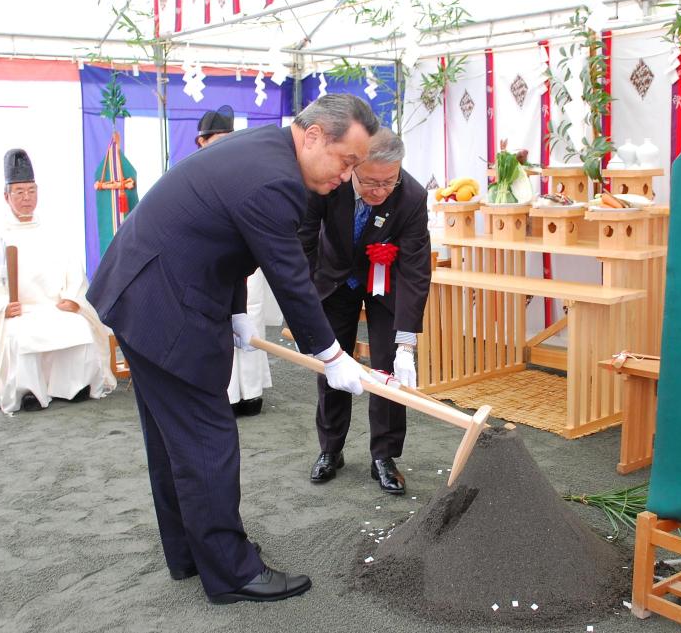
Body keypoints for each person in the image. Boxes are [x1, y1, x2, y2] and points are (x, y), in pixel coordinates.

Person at [86, 94, 379, 605]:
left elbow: (226, 236)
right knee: (206, 438)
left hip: (142, 288)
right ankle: (231, 571)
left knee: (172, 438)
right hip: (163, 304)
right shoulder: (276, 178)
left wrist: (238, 311)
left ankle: (190, 554)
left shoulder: (266, 150)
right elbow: (288, 273)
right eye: (346, 161)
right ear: (313, 136)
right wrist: (333, 356)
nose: (347, 175)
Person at [299, 128, 432, 495]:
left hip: (385, 284)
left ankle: (384, 456)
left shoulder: (411, 196)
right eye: (371, 182)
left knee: (388, 369)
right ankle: (331, 448)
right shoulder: (329, 181)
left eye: (390, 182)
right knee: (333, 364)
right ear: (353, 168)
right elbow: (304, 242)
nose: (380, 191)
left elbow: (416, 268)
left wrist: (406, 341)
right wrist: (305, 309)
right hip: (334, 279)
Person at [0, 149, 116, 415]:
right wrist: (1, 307)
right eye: (19, 192)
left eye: (31, 191)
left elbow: (73, 270)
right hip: (22, 311)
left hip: (55, 307)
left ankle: (73, 386)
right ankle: (28, 392)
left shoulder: (52, 232)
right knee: (20, 335)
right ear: (6, 196)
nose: (26, 198)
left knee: (78, 326)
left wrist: (73, 298)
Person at [195, 104, 272, 417]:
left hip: (247, 256)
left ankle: (251, 392)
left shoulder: (246, 168)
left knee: (249, 313)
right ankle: (224, 392)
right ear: (201, 142)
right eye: (216, 139)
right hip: (210, 258)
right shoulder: (192, 172)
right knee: (217, 321)